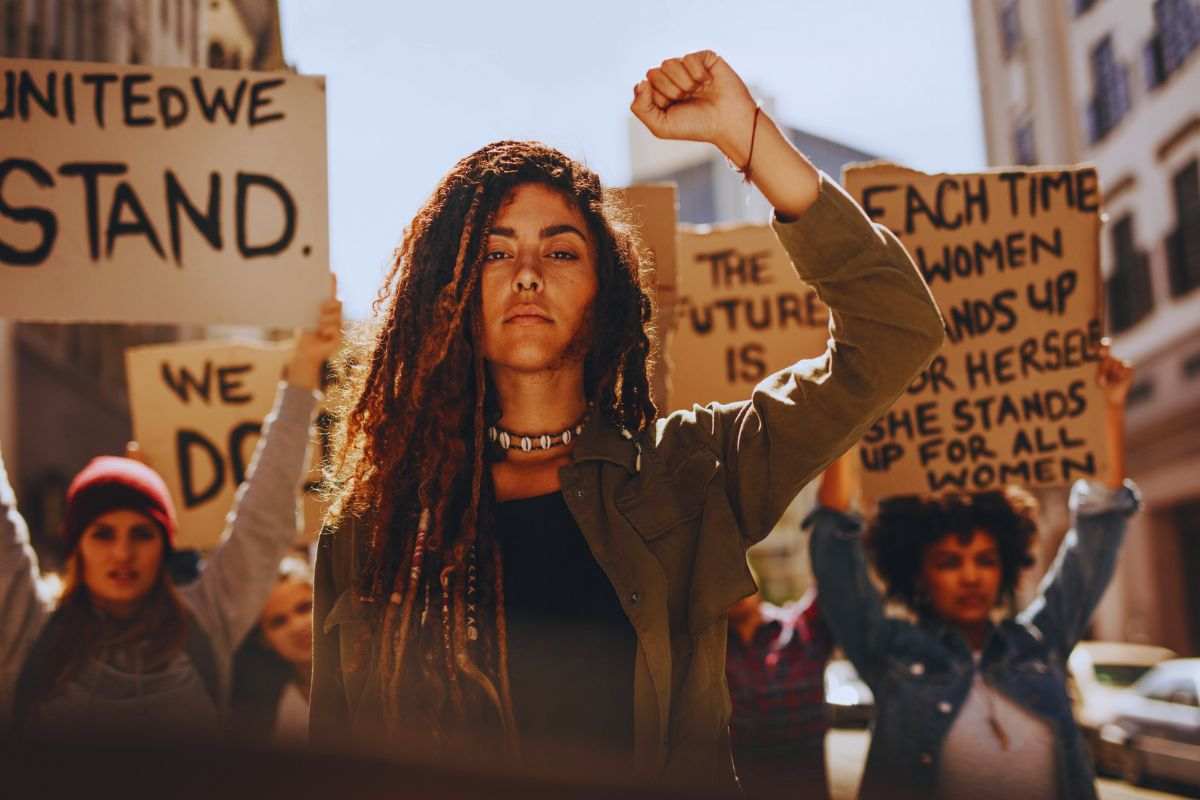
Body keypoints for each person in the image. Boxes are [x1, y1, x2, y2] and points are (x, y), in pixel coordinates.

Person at [311, 49, 944, 790]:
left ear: (604, 293)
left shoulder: (689, 471)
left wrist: (746, 139)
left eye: (561, 249)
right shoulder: (374, 523)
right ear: (444, 293)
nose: (527, 272)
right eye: (492, 251)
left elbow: (896, 328)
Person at [0, 293, 341, 739]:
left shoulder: (205, 618)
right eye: (102, 534)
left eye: (141, 533)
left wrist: (301, 377)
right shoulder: (28, 625)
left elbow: (264, 518)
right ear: (76, 543)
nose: (123, 552)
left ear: (166, 542)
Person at [809, 347, 1139, 800]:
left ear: (1006, 565)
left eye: (985, 560)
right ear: (918, 574)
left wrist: (1111, 407)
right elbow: (834, 546)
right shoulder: (890, 654)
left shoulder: (1041, 643)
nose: (971, 576)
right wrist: (848, 414)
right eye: (949, 562)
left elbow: (1099, 528)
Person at [726, 576, 832, 799]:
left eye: (732, 573)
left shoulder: (801, 628)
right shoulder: (703, 655)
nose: (730, 584)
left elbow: (834, 581)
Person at [231, 555, 315, 745]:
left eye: (304, 608)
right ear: (265, 640)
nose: (297, 626)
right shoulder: (274, 710)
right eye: (278, 622)